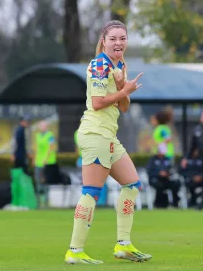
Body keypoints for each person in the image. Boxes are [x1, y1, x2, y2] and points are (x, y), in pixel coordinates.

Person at [64, 20, 151, 264]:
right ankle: (75, 250)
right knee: (91, 192)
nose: (118, 43)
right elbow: (98, 103)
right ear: (104, 41)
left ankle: (123, 245)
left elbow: (123, 108)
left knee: (132, 185)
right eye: (113, 38)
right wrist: (124, 91)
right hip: (95, 133)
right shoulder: (100, 65)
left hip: (108, 135)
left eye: (122, 38)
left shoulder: (120, 65)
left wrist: (123, 86)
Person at [147, 144, 180, 208]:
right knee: (159, 185)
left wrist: (167, 173)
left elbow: (171, 169)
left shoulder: (167, 159)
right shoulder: (153, 160)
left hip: (166, 179)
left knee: (176, 184)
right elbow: (149, 171)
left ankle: (175, 202)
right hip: (155, 179)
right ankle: (159, 203)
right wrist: (159, 173)